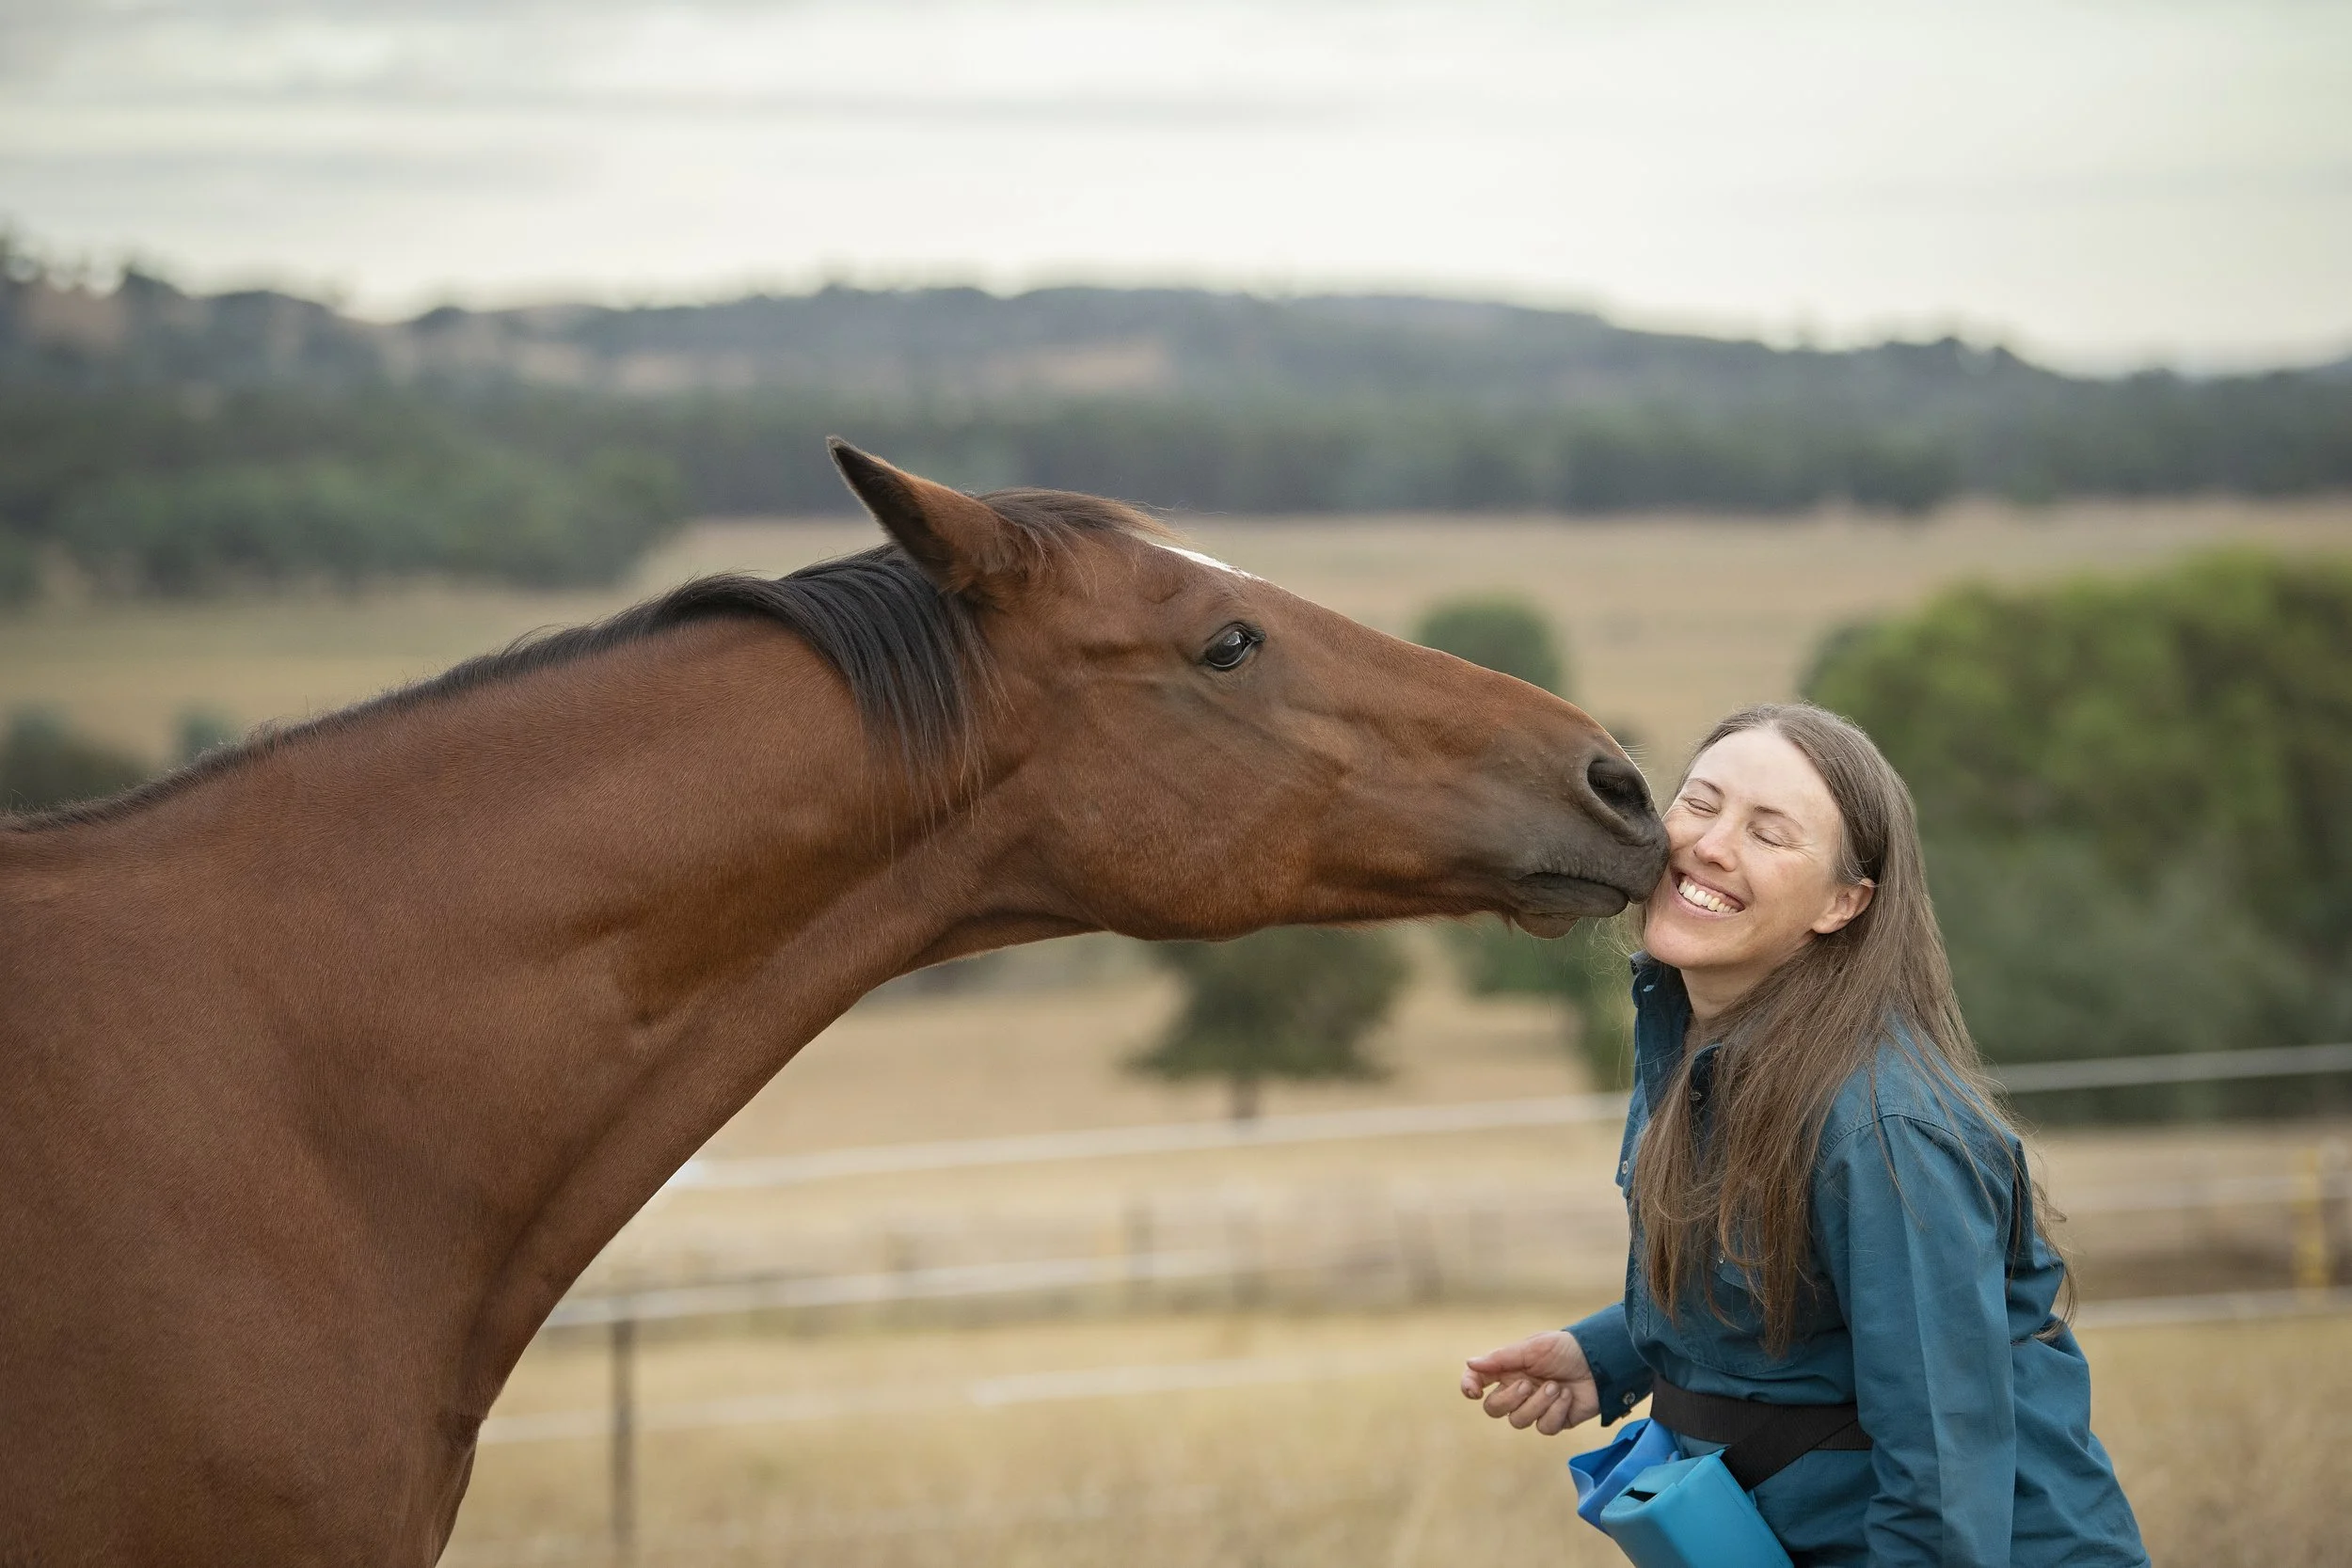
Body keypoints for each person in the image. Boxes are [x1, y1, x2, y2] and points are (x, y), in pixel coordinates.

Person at [1460, 703, 2146, 1567]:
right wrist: (1608, 1355)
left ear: (1842, 902)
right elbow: (1787, 1290)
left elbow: (1942, 1469)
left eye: (1769, 833)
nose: (1712, 844)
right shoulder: (1690, 1035)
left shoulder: (1883, 1128)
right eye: (1701, 803)